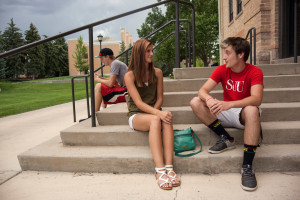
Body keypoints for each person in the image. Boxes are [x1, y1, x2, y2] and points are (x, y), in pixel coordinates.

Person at [190, 37, 264, 191]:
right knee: (196, 101)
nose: (224, 57)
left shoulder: (255, 71)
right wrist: (209, 100)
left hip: (242, 112)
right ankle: (226, 138)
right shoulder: (222, 69)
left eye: (228, 53)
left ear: (241, 54)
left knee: (252, 109)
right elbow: (202, 91)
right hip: (225, 110)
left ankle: (247, 167)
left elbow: (257, 99)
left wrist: (230, 104)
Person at [124, 39, 180, 190]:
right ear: (139, 54)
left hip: (153, 112)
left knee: (166, 117)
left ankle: (169, 167)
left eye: (152, 50)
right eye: (147, 51)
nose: (151, 54)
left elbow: (160, 98)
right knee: (157, 119)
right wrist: (155, 115)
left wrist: (156, 113)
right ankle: (159, 170)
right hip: (136, 115)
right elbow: (139, 103)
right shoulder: (129, 75)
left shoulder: (158, 73)